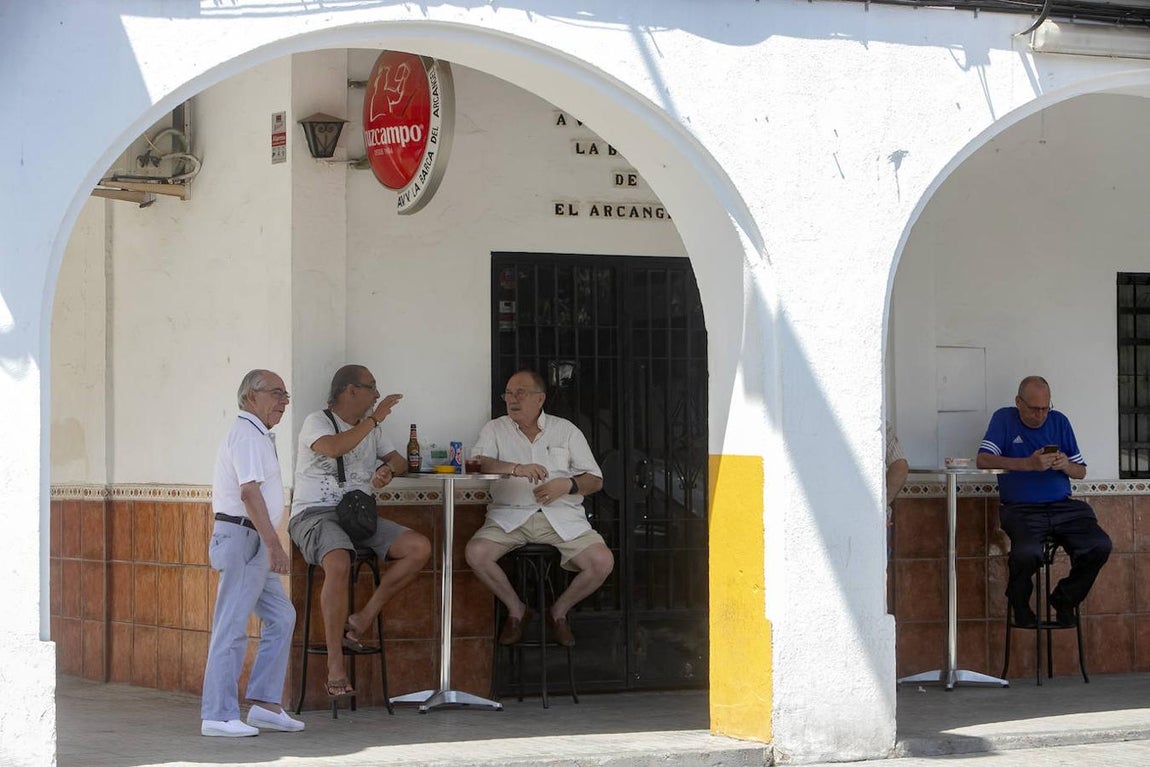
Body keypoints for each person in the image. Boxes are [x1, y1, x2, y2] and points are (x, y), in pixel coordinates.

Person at [288, 364, 432, 700]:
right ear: (350, 390)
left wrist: (386, 470)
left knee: (418, 547)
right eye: (372, 387)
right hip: (315, 514)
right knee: (337, 561)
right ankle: (335, 664)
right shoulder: (317, 422)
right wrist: (375, 419)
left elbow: (400, 460)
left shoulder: (374, 430)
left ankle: (364, 617)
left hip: (358, 515)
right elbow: (334, 448)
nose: (377, 394)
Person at [464, 369, 614, 647]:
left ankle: (558, 612)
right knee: (476, 553)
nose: (512, 399)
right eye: (508, 393)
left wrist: (566, 485)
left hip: (562, 517)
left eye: (520, 392)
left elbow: (595, 480)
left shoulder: (566, 430)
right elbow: (477, 463)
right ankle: (517, 609)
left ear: (540, 398)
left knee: (602, 562)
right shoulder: (495, 428)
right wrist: (515, 468)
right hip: (510, 515)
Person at [201, 369, 303, 737]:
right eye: (277, 393)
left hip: (252, 541)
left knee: (282, 616)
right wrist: (274, 544)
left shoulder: (259, 434)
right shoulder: (247, 434)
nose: (284, 401)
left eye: (285, 394)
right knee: (231, 627)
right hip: (245, 539)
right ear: (250, 397)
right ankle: (217, 714)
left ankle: (264, 704)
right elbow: (249, 493)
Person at [976, 375, 1112, 628]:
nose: (1040, 415)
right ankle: (1019, 604)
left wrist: (1065, 465)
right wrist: (1027, 464)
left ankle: (1064, 599)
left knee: (1099, 544)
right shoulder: (1003, 419)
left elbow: (1081, 471)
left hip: (1063, 507)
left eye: (1045, 409)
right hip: (1020, 509)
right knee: (1027, 553)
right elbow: (983, 460)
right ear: (1019, 402)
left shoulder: (1059, 421)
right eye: (1034, 409)